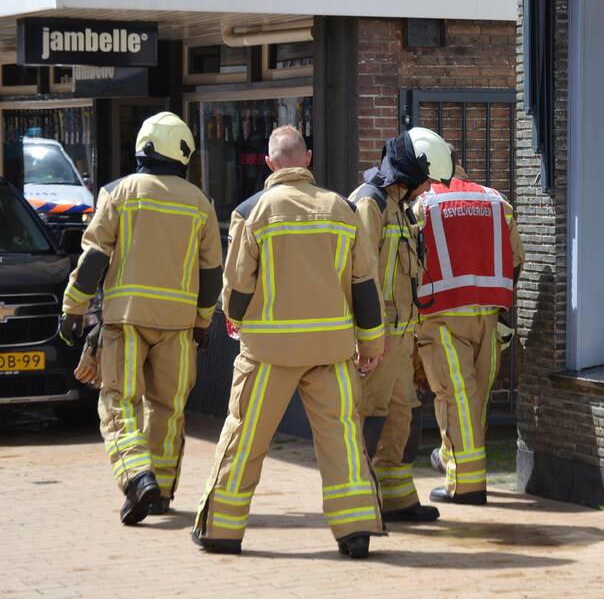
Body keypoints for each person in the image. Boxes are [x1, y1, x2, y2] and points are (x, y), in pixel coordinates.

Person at [192, 126, 387, 558]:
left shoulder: (252, 211)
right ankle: (355, 529)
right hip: (332, 352)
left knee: (245, 437)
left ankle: (222, 530)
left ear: (269, 163)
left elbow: (238, 285)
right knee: (342, 440)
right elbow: (365, 286)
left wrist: (237, 320)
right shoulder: (342, 209)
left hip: (268, 353)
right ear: (308, 159)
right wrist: (371, 346)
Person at [58, 112, 222, 524]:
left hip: (126, 321)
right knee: (169, 408)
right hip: (179, 327)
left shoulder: (120, 193)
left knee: (119, 402)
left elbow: (94, 259)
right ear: (183, 153)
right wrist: (202, 324)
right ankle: (162, 491)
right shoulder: (201, 204)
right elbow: (210, 277)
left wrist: (73, 311)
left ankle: (137, 477)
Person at [349, 127, 454, 522]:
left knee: (400, 415)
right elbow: (362, 277)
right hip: (380, 340)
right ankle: (357, 503)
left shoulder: (396, 205)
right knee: (368, 415)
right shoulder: (370, 204)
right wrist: (369, 340)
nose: (427, 187)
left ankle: (395, 498)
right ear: (410, 171)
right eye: (425, 179)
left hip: (400, 335)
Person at [415, 163, 525, 505]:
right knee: (473, 397)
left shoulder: (421, 204)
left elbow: (407, 260)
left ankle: (465, 485)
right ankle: (454, 463)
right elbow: (517, 259)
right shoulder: (496, 201)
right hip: (488, 316)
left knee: (455, 397)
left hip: (442, 315)